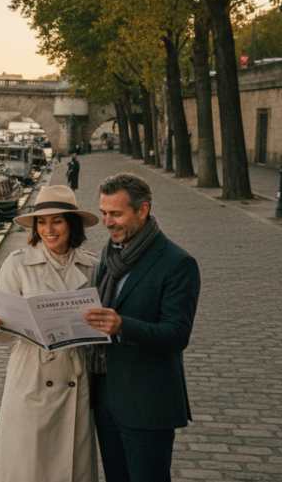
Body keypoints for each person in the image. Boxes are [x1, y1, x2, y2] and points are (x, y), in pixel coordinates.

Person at [81, 173, 200, 482]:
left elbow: (177, 335)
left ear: (142, 211)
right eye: (104, 212)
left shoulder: (177, 263)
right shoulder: (110, 257)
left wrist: (122, 326)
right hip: (108, 398)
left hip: (148, 404)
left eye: (116, 214)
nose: (107, 222)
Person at [0, 185, 101, 482]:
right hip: (32, 376)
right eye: (42, 221)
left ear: (72, 224)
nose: (49, 229)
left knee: (71, 465)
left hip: (76, 374)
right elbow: (7, 334)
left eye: (57, 220)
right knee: (27, 465)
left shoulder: (94, 267)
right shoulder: (17, 264)